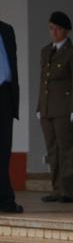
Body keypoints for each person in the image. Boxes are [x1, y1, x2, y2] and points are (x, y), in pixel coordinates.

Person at [36, 11, 73, 203]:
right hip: (48, 108)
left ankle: (68, 190)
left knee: (67, 151)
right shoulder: (46, 51)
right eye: (51, 28)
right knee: (53, 151)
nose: (54, 32)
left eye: (58, 29)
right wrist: (40, 106)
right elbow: (43, 81)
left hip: (65, 109)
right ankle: (57, 188)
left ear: (66, 30)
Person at [0, 19, 21, 213]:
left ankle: (5, 199)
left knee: (4, 149)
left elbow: (12, 63)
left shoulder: (7, 29)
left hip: (5, 94)